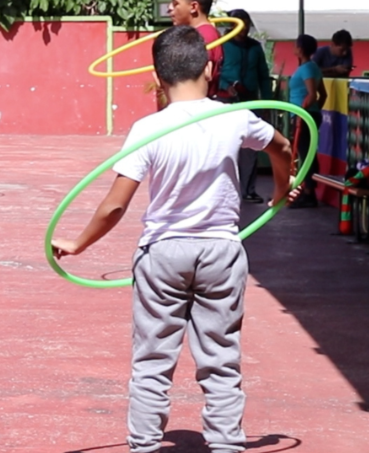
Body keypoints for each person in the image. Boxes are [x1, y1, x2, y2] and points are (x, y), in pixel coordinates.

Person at [52, 25, 295, 453]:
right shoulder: (234, 116)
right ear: (208, 66)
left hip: (163, 252)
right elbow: (283, 148)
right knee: (221, 360)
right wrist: (280, 191)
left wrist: (78, 243)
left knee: (152, 361)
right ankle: (226, 444)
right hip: (221, 250)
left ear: (157, 75)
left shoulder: (149, 127)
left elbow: (114, 205)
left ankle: (145, 445)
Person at [219, 9, 272, 204]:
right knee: (225, 144)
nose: (244, 29)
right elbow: (214, 70)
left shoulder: (255, 47)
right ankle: (224, 189)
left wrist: (267, 101)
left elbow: (263, 76)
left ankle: (248, 190)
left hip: (250, 98)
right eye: (240, 24)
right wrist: (225, 86)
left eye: (247, 24)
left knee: (251, 146)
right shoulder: (221, 45)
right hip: (226, 99)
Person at [168, 0, 229, 100]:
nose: (169, 8)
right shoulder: (204, 33)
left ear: (193, 7)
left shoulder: (203, 36)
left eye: (175, 3)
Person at [289, 34, 327, 208]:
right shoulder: (311, 67)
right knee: (307, 154)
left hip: (303, 116)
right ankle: (307, 189)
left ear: (301, 49)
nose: (294, 48)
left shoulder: (306, 69)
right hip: (308, 115)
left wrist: (303, 114)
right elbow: (322, 95)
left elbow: (313, 95)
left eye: (296, 45)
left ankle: (308, 193)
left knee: (306, 155)